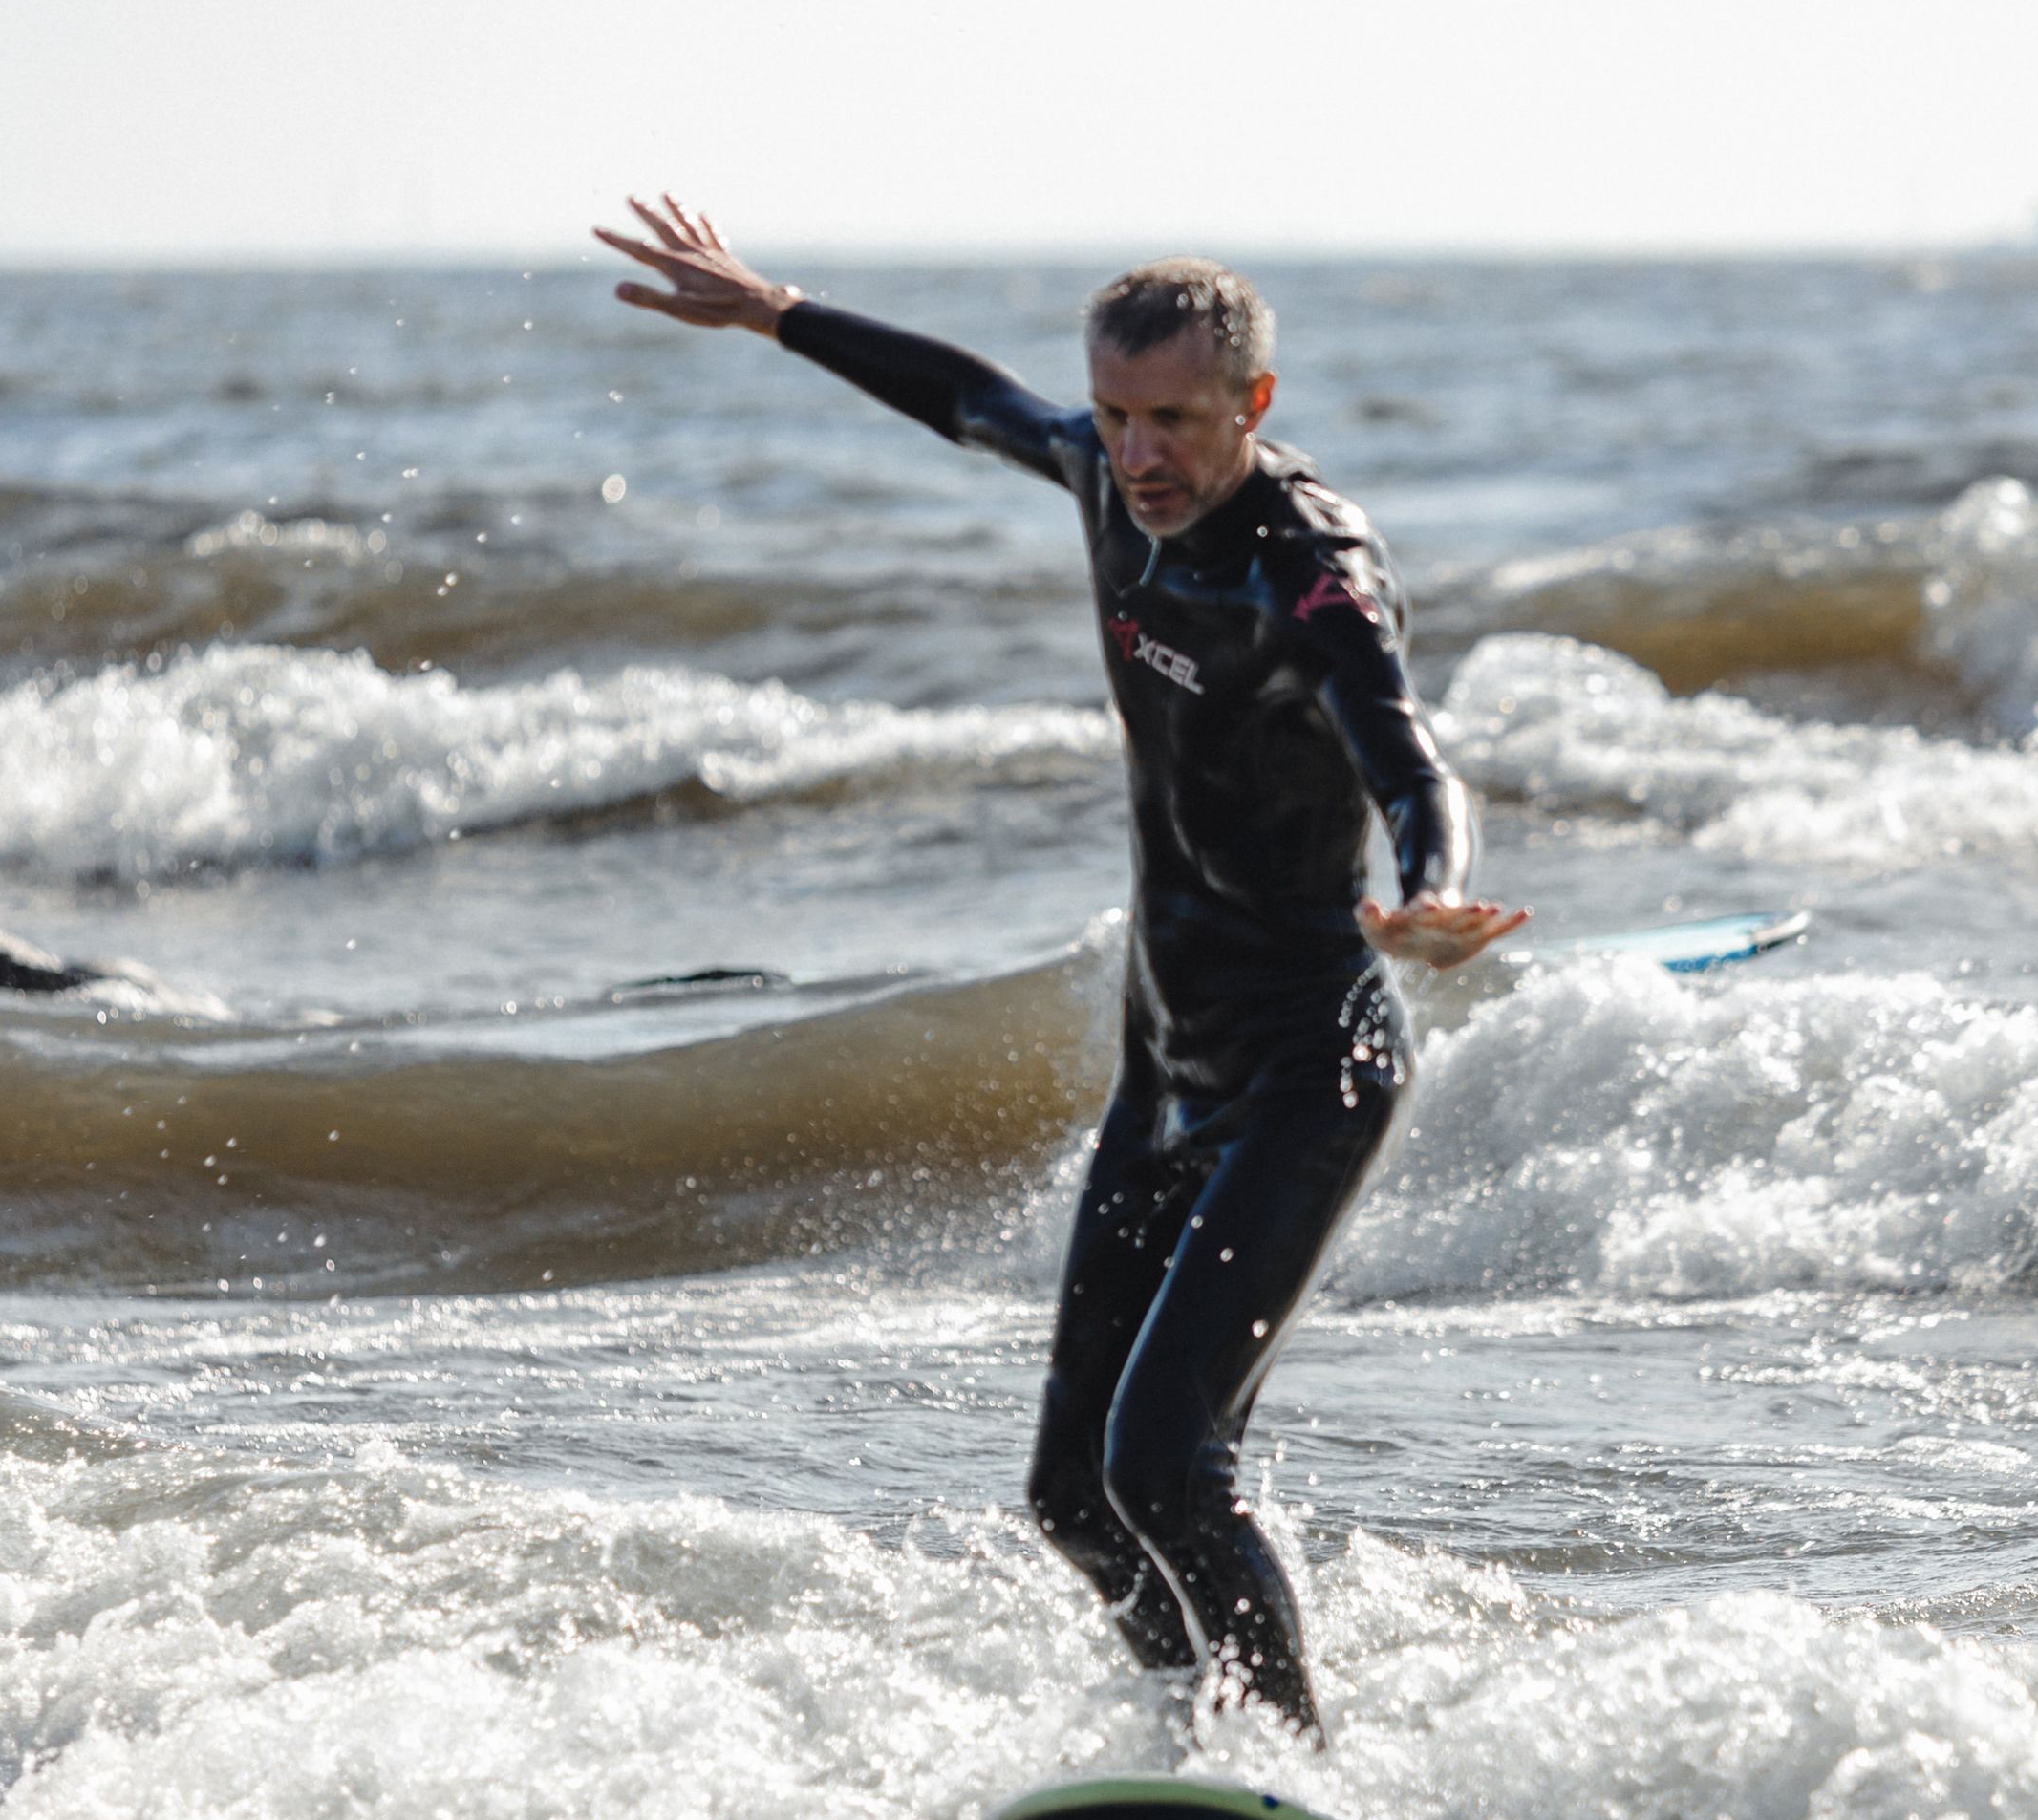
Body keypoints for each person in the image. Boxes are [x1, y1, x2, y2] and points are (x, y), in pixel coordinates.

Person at [595, 203, 1524, 1737]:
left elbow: (1414, 760)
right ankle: (1196, 1742)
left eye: (1174, 420)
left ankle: (1299, 1774)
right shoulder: (1102, 474)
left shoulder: (1313, 576)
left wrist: (1436, 891)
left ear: (1253, 407)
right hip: (1166, 1070)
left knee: (1165, 1463)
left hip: (1310, 1073)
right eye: (1114, 415)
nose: (1137, 453)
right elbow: (969, 399)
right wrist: (776, 311)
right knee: (1075, 1502)